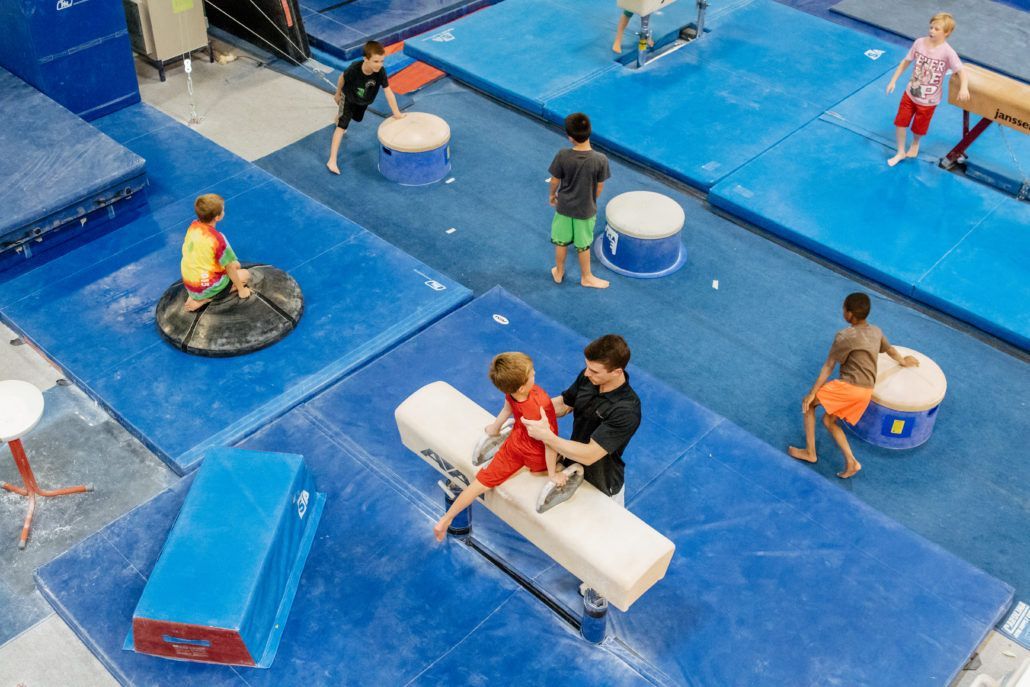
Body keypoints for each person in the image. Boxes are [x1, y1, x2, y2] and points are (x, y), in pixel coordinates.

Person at [433, 352, 568, 541]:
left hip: (514, 445)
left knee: (479, 484)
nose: (535, 373)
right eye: (532, 374)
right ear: (522, 387)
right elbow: (550, 443)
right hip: (536, 453)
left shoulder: (511, 392)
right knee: (545, 464)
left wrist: (494, 429)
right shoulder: (541, 404)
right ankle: (540, 471)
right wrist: (554, 474)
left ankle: (445, 519)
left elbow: (507, 409)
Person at [788, 292, 919, 478]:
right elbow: (889, 350)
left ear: (849, 314)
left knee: (808, 405)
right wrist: (903, 361)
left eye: (844, 308)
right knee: (828, 420)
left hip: (849, 388)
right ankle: (852, 462)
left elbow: (828, 366)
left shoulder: (844, 336)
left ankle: (810, 452)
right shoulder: (876, 331)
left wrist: (811, 393)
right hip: (865, 392)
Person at [522, 335, 640, 507]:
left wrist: (548, 437)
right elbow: (564, 404)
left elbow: (590, 455)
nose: (586, 373)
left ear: (617, 372)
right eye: (587, 367)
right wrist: (528, 409)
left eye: (594, 370)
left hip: (601, 484)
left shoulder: (627, 410)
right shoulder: (589, 378)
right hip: (571, 465)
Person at [885, 12, 968, 167]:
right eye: (931, 27)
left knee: (919, 127)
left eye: (937, 29)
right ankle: (900, 152)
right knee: (900, 123)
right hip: (910, 93)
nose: (932, 31)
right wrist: (893, 80)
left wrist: (964, 88)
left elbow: (961, 71)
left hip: (928, 101)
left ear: (947, 33)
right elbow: (906, 61)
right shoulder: (919, 43)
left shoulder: (948, 52)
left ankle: (915, 143)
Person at [548, 113, 611, 289]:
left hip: (564, 207)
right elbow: (599, 186)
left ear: (570, 137)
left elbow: (555, 180)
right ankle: (587, 277)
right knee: (583, 246)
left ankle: (558, 272)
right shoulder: (600, 159)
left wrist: (552, 195)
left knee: (560, 242)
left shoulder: (562, 155)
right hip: (586, 210)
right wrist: (591, 199)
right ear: (589, 132)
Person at [326, 40, 405, 175]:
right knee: (342, 126)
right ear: (365, 59)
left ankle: (339, 116)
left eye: (382, 61)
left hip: (364, 101)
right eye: (376, 61)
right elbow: (341, 78)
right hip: (349, 98)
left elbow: (388, 91)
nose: (379, 65)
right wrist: (338, 93)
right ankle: (332, 160)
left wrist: (396, 112)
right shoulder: (354, 69)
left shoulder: (380, 72)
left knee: (357, 118)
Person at [180, 194, 250, 312]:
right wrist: (241, 289)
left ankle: (197, 294)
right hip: (205, 287)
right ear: (217, 217)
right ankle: (205, 299)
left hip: (190, 282)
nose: (224, 211)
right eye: (223, 210)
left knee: (236, 264)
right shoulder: (217, 239)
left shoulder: (193, 227)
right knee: (245, 275)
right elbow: (230, 267)